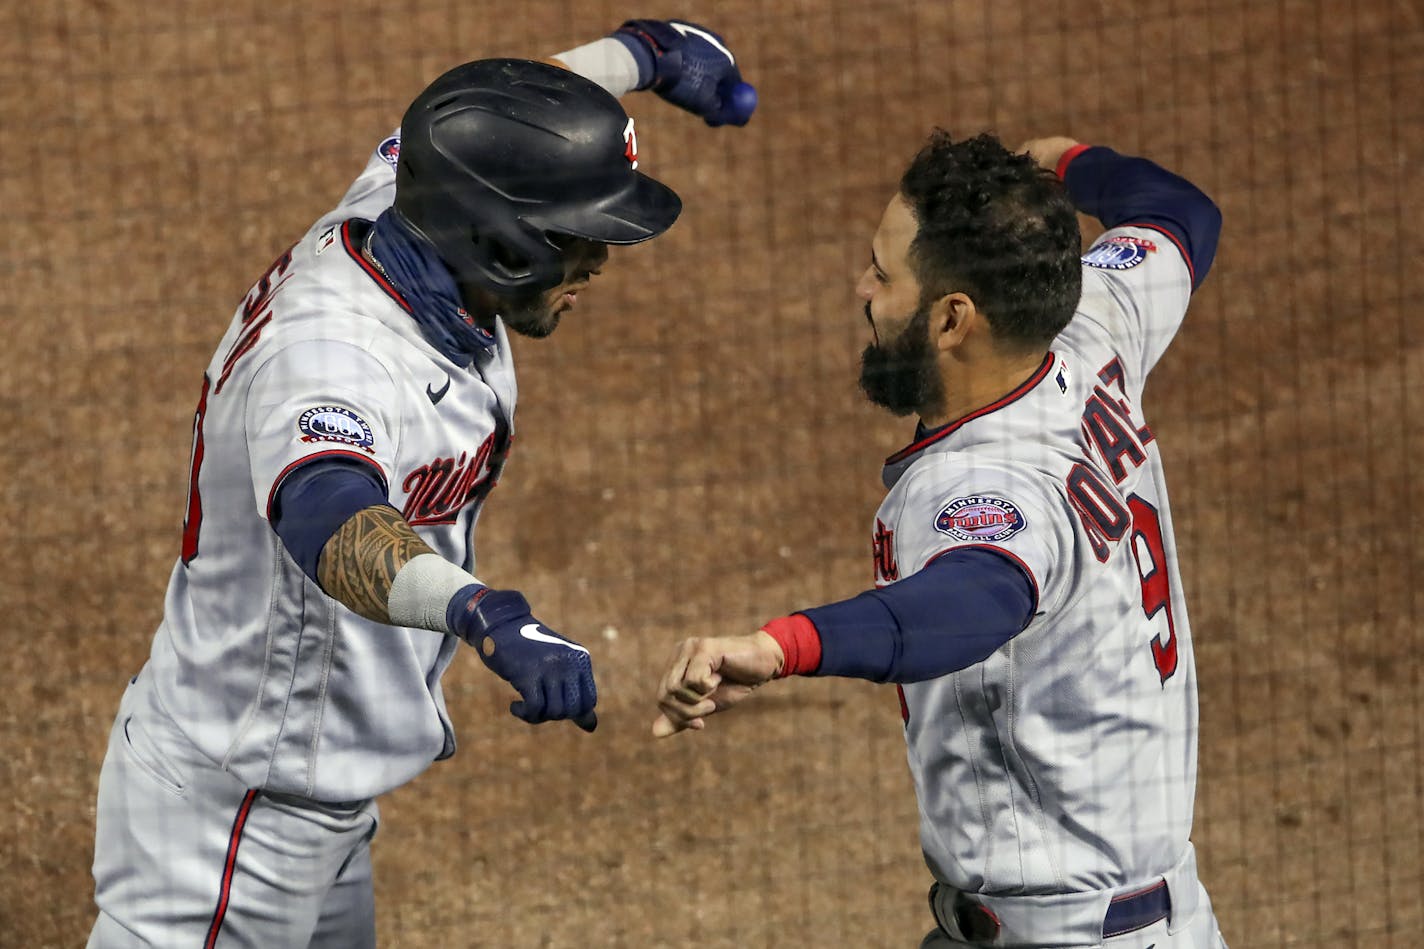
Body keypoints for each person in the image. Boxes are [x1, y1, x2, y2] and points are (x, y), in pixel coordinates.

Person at [88, 19, 754, 949]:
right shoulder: (332, 360)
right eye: (579, 238)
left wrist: (644, 53)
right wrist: (482, 609)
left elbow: (488, 110)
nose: (599, 262)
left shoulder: (416, 198)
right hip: (234, 814)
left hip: (311, 787)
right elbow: (329, 512)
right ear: (500, 238)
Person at [651, 132, 1227, 948]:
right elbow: (1179, 213)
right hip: (1115, 916)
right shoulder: (1092, 322)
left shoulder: (987, 485)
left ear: (952, 318)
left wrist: (782, 645)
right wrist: (1067, 163)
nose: (862, 289)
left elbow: (954, 606)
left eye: (884, 277)